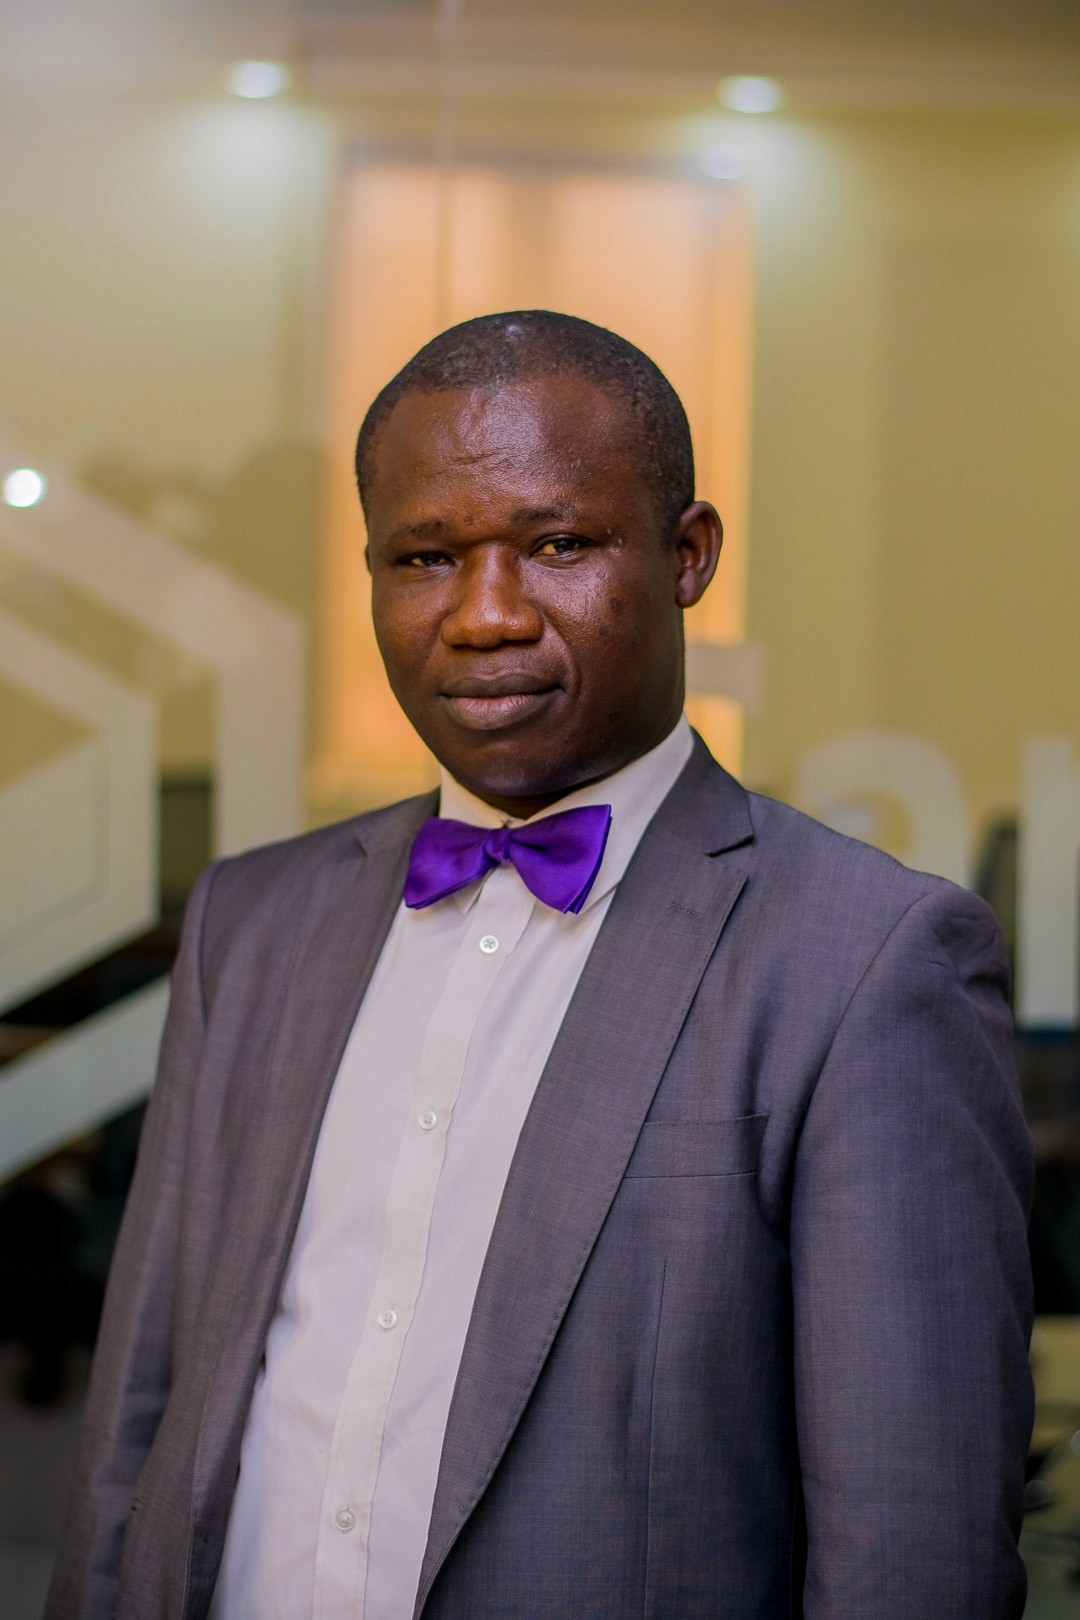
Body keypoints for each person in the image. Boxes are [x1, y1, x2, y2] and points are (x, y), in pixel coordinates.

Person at [47, 311, 1034, 1620]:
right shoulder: (253, 923)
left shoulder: (868, 960)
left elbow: (911, 1552)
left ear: (688, 556)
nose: (485, 615)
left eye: (557, 545)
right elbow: (138, 1422)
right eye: (426, 558)